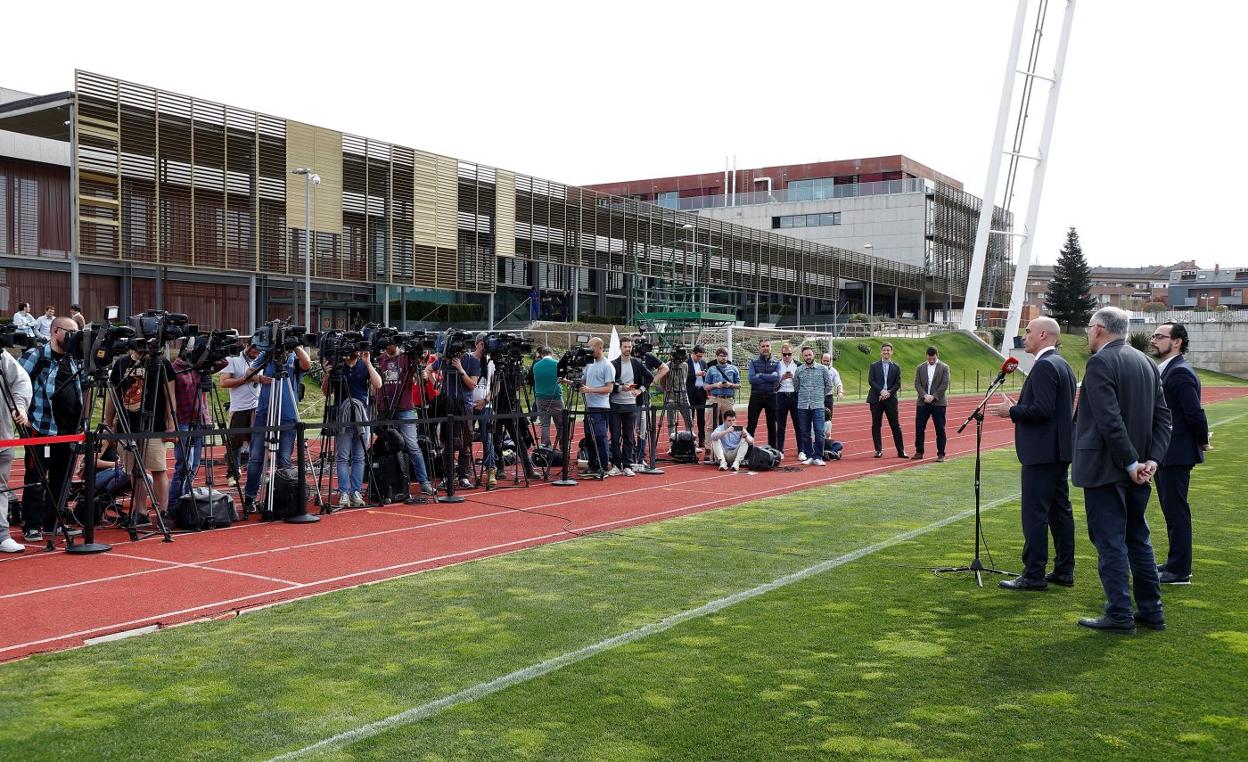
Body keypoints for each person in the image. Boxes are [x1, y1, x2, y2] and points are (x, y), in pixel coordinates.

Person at [1072, 307, 1171, 634]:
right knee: (1137, 537)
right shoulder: (1146, 362)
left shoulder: (1100, 362)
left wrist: (1131, 463)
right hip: (1140, 468)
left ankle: (1119, 613)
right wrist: (1150, 460)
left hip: (1109, 468)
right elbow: (1162, 418)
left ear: (1099, 329)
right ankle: (1151, 611)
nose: (1087, 333)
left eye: (1089, 328)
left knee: (1111, 541)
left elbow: (1108, 420)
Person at [991, 317, 1078, 591]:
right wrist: (1020, 407)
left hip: (1041, 452)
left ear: (1043, 335)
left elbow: (1042, 410)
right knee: (1059, 511)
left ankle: (1033, 574)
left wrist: (1012, 411)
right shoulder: (1063, 364)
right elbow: (1049, 408)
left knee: (1035, 514)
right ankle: (1064, 569)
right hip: (1057, 451)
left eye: (1027, 331)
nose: (1024, 336)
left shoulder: (1044, 367)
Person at [1149, 322, 1209, 585]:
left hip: (1176, 452)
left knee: (1176, 512)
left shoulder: (1180, 373)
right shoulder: (1167, 370)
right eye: (1153, 335)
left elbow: (1194, 412)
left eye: (1159, 336)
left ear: (1177, 342)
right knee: (1171, 510)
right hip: (1167, 452)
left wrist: (1203, 440)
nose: (1153, 340)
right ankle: (1175, 562)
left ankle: (1180, 570)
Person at [19, 316, 84, 542]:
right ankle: (32, 524)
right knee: (36, 477)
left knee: (61, 479)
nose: (75, 337)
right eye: (71, 332)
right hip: (41, 428)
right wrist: (23, 416)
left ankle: (52, 522)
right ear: (56, 331)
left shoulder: (75, 360)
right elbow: (14, 385)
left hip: (68, 431)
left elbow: (81, 393)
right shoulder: (36, 356)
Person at [106, 344, 177, 525]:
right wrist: (108, 424)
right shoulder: (121, 363)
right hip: (126, 426)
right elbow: (113, 396)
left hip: (154, 426)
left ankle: (163, 512)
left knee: (158, 468)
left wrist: (171, 425)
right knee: (135, 472)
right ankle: (141, 512)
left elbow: (170, 396)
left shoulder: (161, 363)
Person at [242, 341, 312, 514]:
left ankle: (284, 498)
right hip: (265, 413)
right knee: (256, 457)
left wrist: (295, 344)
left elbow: (307, 364)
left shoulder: (294, 358)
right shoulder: (266, 356)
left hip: (288, 416)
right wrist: (259, 378)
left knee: (284, 460)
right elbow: (248, 371)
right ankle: (250, 498)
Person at [374, 337, 436, 497]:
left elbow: (419, 372)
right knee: (384, 446)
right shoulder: (379, 359)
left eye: (393, 341)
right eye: (387, 341)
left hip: (405, 407)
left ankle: (424, 482)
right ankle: (383, 483)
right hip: (384, 408)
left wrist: (420, 368)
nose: (390, 344)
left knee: (412, 445)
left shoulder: (406, 357)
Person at [324, 347, 382, 507]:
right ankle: (344, 492)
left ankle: (355, 491)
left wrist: (368, 363)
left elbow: (378, 384)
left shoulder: (364, 365)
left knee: (359, 457)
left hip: (362, 417)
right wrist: (328, 374)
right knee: (342, 457)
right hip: (343, 417)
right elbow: (325, 392)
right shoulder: (338, 366)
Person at [167, 350, 225, 508]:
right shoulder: (174, 369)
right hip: (182, 421)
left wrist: (213, 351)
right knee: (184, 465)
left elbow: (223, 363)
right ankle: (172, 505)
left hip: (199, 420)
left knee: (194, 465)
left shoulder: (198, 368)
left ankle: (186, 499)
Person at [0, 351, 32, 553]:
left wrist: (19, 407)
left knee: (1, 487)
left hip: (2, 434)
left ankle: (2, 535)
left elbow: (21, 380)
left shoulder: (2, 356)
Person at [219, 340, 262, 490]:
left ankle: (255, 473)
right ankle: (232, 474)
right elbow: (223, 382)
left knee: (256, 443)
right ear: (247, 346)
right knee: (234, 444)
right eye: (254, 350)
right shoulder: (233, 360)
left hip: (258, 408)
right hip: (239, 408)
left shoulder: (262, 359)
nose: (256, 353)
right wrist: (244, 379)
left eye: (258, 351)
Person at [608, 337, 653, 477]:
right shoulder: (613, 364)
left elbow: (650, 377)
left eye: (629, 346)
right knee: (615, 436)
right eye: (625, 346)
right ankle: (616, 464)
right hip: (615, 404)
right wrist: (621, 387)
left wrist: (640, 390)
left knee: (628, 436)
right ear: (620, 348)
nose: (628, 349)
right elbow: (609, 384)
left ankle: (627, 465)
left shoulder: (637, 363)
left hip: (631, 404)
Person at [578, 337, 614, 478]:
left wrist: (590, 390)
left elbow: (609, 388)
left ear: (600, 348)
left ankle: (603, 465)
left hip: (600, 407)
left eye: (591, 347)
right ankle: (592, 464)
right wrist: (568, 381)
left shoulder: (607, 366)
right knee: (589, 437)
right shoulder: (589, 364)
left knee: (600, 436)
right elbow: (582, 382)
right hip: (589, 406)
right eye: (588, 347)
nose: (589, 350)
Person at [793, 346, 832, 466]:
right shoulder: (799, 370)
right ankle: (809, 455)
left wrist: (820, 396)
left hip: (818, 405)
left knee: (819, 431)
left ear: (814, 354)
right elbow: (796, 387)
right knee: (805, 432)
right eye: (805, 355)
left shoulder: (822, 369)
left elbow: (829, 386)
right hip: (803, 406)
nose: (808, 357)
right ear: (802, 356)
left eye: (810, 355)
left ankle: (818, 457)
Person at [867, 343, 907, 458]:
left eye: (888, 350)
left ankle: (901, 451)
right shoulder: (874, 366)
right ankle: (878, 450)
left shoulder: (896, 367)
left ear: (891, 352)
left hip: (891, 399)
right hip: (876, 399)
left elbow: (897, 384)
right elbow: (871, 381)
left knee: (895, 425)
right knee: (876, 425)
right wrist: (881, 391)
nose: (886, 352)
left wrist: (888, 393)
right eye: (884, 350)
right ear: (881, 352)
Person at [633, 338, 668, 468]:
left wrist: (653, 381)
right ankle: (628, 455)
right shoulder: (626, 357)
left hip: (643, 396)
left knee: (642, 428)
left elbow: (664, 368)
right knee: (627, 428)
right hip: (627, 396)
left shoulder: (648, 356)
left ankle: (641, 456)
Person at [911, 347, 950, 462]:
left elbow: (944, 384)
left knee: (940, 429)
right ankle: (919, 451)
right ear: (926, 355)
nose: (931, 360)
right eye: (929, 358)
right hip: (923, 402)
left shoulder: (944, 367)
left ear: (937, 355)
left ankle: (941, 453)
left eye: (933, 358)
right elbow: (917, 384)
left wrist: (933, 396)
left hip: (938, 403)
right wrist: (924, 395)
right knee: (919, 428)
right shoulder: (920, 367)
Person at [746, 339, 781, 448]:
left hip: (772, 396)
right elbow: (751, 379)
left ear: (770, 348)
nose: (765, 348)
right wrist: (769, 377)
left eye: (767, 346)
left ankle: (773, 451)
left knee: (772, 426)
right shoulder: (753, 361)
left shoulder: (777, 362)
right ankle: (748, 451)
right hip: (756, 396)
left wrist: (760, 375)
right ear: (759, 348)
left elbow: (777, 378)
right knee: (751, 425)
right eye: (763, 346)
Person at [528, 346, 563, 449]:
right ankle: (563, 445)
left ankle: (545, 444)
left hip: (540, 397)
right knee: (560, 424)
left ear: (541, 354)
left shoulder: (536, 366)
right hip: (555, 397)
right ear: (551, 354)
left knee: (544, 424)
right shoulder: (557, 364)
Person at [704, 348, 740, 431]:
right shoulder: (711, 369)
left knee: (730, 425)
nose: (723, 358)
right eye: (721, 356)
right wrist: (716, 385)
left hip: (728, 399)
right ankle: (710, 444)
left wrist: (729, 384)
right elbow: (705, 386)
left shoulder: (733, 368)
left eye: (725, 356)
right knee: (711, 426)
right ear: (717, 356)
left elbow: (739, 385)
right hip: (714, 399)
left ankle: (729, 444)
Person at [775, 344, 800, 457]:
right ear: (782, 354)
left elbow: (802, 382)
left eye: (789, 354)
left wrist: (793, 377)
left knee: (798, 425)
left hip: (795, 395)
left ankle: (801, 450)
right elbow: (773, 383)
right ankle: (780, 450)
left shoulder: (798, 365)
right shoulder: (777, 365)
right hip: (781, 395)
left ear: (792, 354)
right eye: (784, 354)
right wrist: (782, 378)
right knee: (780, 425)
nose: (787, 356)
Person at [686, 345, 709, 448]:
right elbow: (684, 376)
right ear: (693, 353)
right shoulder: (686, 362)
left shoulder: (703, 363)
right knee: (690, 417)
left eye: (701, 356)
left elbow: (706, 377)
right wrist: (696, 374)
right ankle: (689, 438)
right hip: (691, 392)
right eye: (698, 356)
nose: (700, 358)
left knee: (701, 418)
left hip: (701, 392)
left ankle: (702, 439)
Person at [821, 352, 845, 439]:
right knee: (816, 417)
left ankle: (828, 436)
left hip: (828, 397)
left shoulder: (834, 371)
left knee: (828, 417)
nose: (826, 362)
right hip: (818, 397)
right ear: (821, 360)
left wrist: (840, 392)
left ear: (830, 361)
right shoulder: (817, 369)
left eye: (827, 361)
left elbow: (838, 383)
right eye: (824, 360)